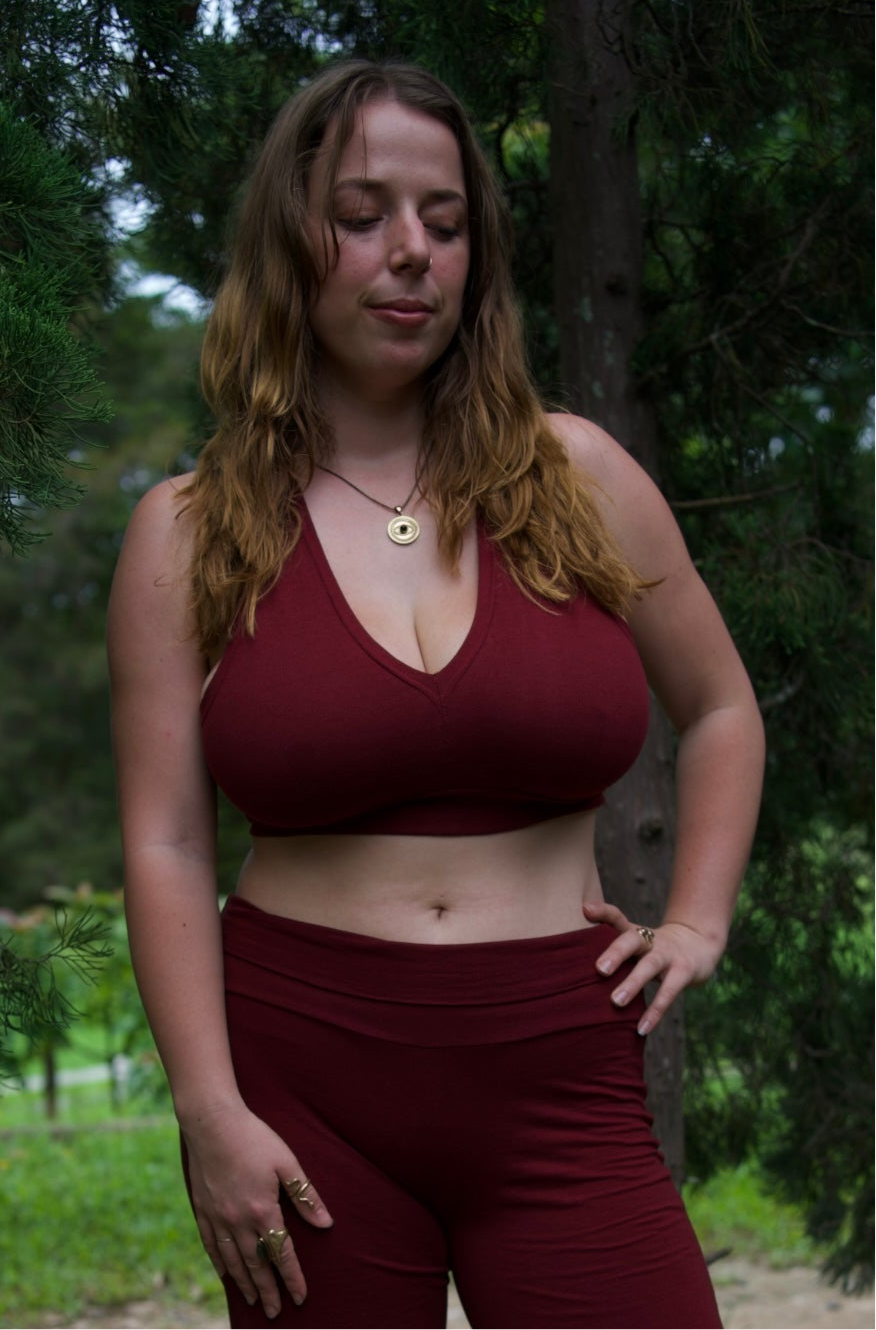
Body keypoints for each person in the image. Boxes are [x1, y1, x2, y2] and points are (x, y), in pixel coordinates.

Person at [107, 59, 764, 1330]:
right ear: (288, 245)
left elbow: (723, 705)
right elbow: (167, 841)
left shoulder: (579, 477)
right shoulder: (185, 533)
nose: (411, 250)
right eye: (362, 216)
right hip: (304, 1088)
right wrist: (209, 1111)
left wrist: (696, 920)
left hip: (561, 1069)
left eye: (445, 222)